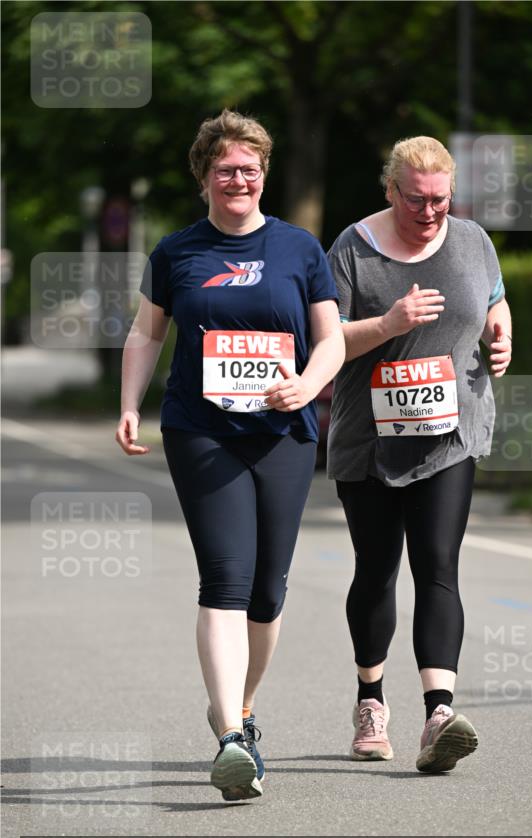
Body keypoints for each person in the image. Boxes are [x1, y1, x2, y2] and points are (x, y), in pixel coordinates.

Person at [116, 109, 344, 801]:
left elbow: (329, 339)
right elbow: (146, 334)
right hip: (201, 429)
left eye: (249, 168)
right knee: (224, 577)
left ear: (263, 174)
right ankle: (232, 741)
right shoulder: (178, 252)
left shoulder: (300, 249)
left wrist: (307, 383)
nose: (237, 179)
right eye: (225, 170)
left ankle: (236, 707)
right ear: (204, 179)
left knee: (267, 592)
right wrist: (128, 403)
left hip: (282, 433)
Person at [327, 136, 512, 774]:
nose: (430, 211)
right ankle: (370, 700)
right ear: (390, 191)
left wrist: (501, 332)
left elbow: (493, 299)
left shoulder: (472, 242)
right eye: (416, 200)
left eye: (440, 199)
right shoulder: (352, 250)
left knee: (438, 565)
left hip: (449, 432)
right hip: (369, 439)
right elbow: (326, 343)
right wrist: (389, 323)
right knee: (377, 569)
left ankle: (438, 713)